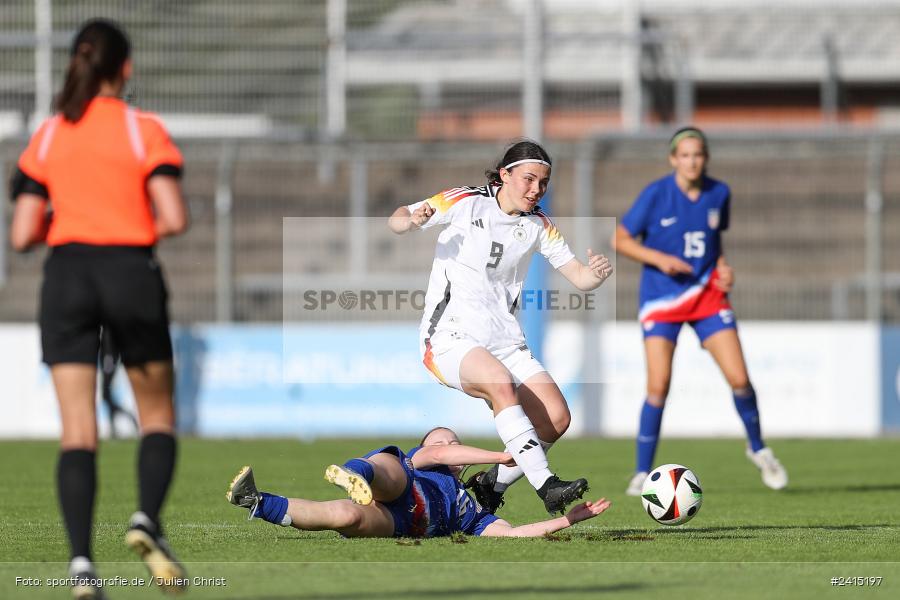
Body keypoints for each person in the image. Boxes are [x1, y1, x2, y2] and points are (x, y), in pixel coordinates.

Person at [9, 19, 189, 599]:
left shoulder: (52, 133)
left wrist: (70, 226)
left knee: (77, 432)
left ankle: (83, 567)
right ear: (126, 68)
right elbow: (174, 217)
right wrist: (130, 226)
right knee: (157, 416)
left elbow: (21, 233)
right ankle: (145, 521)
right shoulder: (143, 130)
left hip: (66, 276)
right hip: (128, 271)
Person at [388, 140, 614, 515]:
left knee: (556, 418)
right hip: (449, 338)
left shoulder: (539, 224)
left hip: (505, 341)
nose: (536, 190)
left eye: (543, 183)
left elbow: (579, 276)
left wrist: (595, 275)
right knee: (499, 383)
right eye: (528, 179)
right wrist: (411, 221)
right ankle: (547, 486)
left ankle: (493, 484)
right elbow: (396, 219)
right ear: (505, 175)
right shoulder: (464, 201)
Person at [611, 126, 788, 496]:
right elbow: (620, 239)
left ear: (706, 158)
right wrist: (659, 258)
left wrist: (723, 267)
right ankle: (642, 472)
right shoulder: (657, 194)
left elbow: (713, 241)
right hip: (662, 298)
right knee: (658, 386)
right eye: (686, 155)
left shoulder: (719, 193)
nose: (693, 161)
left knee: (739, 378)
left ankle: (758, 449)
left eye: (699, 154)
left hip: (707, 295)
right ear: (674, 159)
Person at [226, 426, 612, 538]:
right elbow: (442, 454)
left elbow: (512, 534)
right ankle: (354, 473)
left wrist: (568, 520)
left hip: (406, 523)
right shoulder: (424, 458)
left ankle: (257, 502)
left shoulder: (472, 513)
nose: (445, 446)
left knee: (346, 517)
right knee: (392, 471)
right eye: (438, 440)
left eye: (452, 440)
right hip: (406, 486)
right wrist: (500, 456)